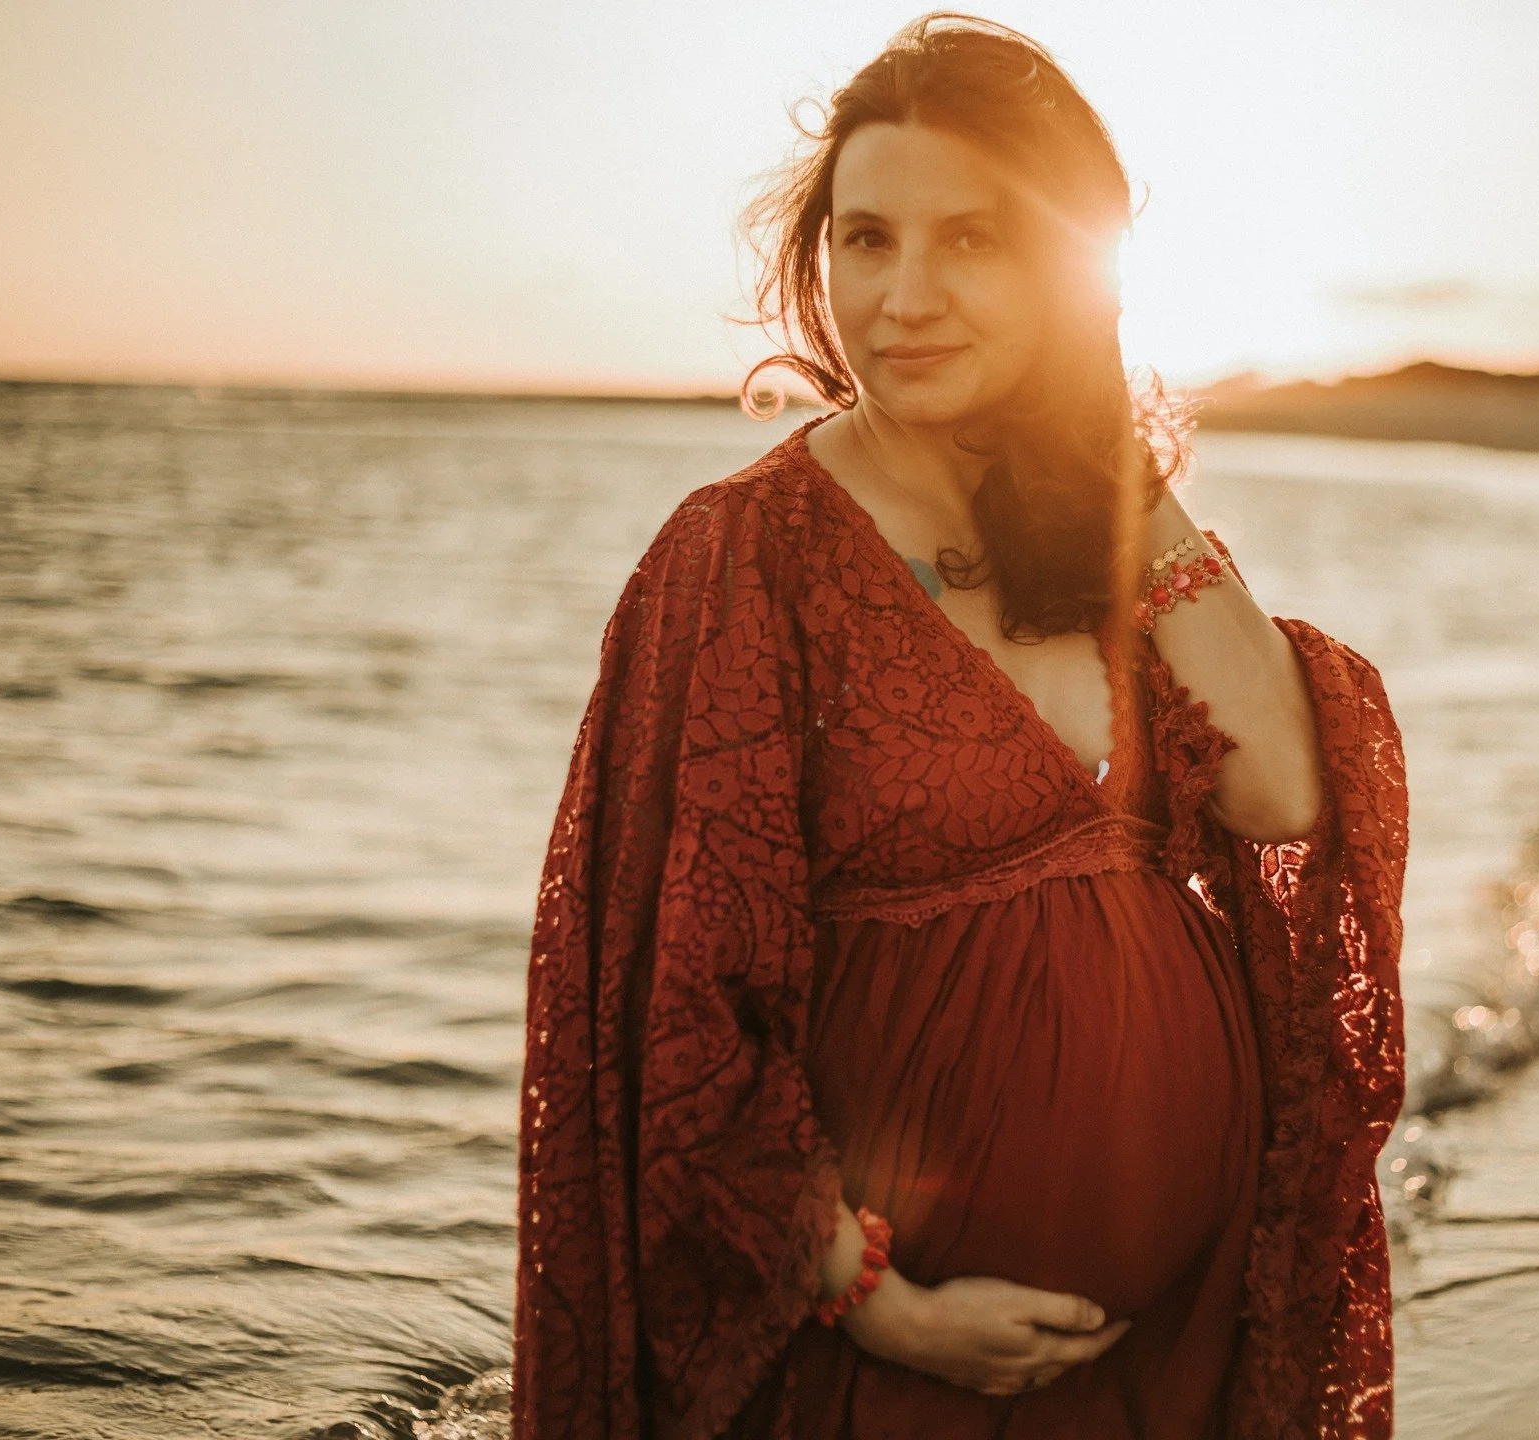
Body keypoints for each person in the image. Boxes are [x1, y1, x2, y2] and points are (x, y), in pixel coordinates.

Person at [511, 13, 1407, 1439]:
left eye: (974, 241)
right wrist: (878, 1301)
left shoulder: (1092, 530)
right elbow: (680, 1010)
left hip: (1173, 1349)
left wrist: (1116, 461)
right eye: (867, 239)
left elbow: (1288, 790)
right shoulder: (742, 557)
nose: (905, 297)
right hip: (896, 1363)